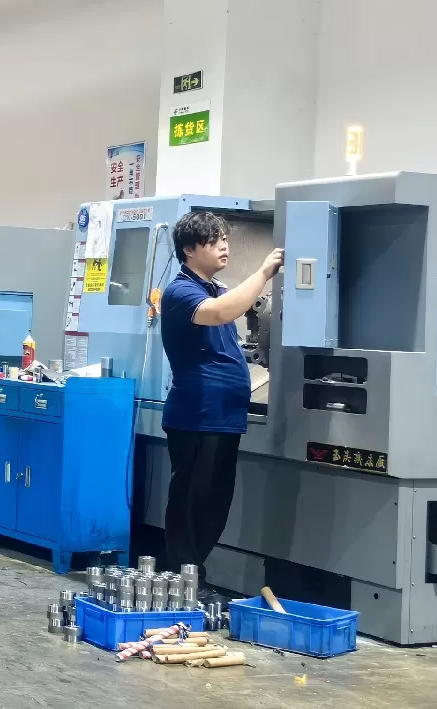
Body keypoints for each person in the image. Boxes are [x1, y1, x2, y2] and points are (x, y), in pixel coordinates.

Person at [157, 211, 283, 591]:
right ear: (189, 249)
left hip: (224, 417)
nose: (223, 246)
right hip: (197, 416)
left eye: (224, 239)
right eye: (213, 241)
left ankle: (192, 577)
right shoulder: (180, 292)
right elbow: (222, 313)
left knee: (214, 504)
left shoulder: (216, 289)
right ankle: (181, 581)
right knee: (191, 503)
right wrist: (263, 273)